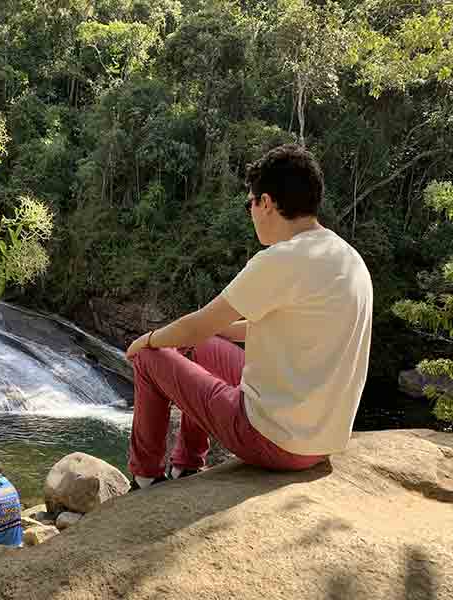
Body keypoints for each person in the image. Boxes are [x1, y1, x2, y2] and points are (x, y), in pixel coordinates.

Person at [125, 144, 373, 489]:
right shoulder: (347, 258)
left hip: (274, 440)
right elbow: (284, 328)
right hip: (322, 441)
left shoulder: (281, 259)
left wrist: (147, 340)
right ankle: (185, 466)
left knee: (150, 358)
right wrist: (218, 332)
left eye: (250, 203)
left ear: (267, 202)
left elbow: (195, 326)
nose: (252, 212)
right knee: (202, 346)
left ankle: (144, 476)